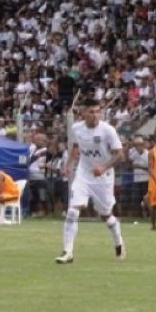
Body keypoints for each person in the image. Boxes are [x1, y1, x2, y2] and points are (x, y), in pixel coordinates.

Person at [55, 100, 127, 264]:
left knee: (106, 215)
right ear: (83, 113)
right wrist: (68, 166)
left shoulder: (107, 130)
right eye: (91, 112)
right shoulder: (76, 128)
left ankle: (119, 242)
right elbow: (75, 147)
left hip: (104, 177)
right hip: (84, 174)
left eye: (97, 111)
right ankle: (67, 252)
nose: (95, 115)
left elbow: (119, 154)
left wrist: (104, 167)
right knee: (73, 210)